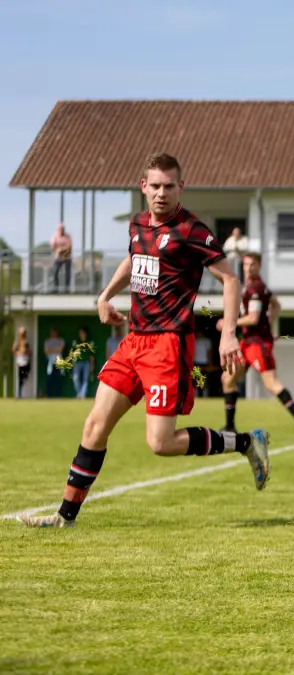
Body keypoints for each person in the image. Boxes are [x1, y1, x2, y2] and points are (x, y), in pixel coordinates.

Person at [18, 153, 270, 529]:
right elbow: (134, 259)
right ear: (143, 187)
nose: (161, 193)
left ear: (180, 188)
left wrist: (229, 333)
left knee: (161, 443)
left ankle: (247, 442)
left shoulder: (192, 230)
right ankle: (64, 517)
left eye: (169, 186)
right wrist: (105, 296)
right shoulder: (137, 224)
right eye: (155, 186)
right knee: (94, 426)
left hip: (168, 346)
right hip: (134, 341)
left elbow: (230, 280)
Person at [220, 252, 294, 440]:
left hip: (257, 344)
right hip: (248, 342)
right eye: (246, 264)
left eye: (252, 264)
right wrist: (268, 324)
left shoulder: (255, 288)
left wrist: (229, 323)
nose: (248, 268)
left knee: (271, 383)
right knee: (227, 379)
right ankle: (230, 426)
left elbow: (253, 318)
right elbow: (276, 305)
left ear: (259, 266)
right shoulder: (256, 286)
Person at [70, 326, 95, 399]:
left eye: (82, 333)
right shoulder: (76, 341)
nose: (81, 334)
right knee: (75, 378)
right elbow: (72, 353)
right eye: (80, 333)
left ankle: (82, 395)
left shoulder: (89, 342)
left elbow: (92, 355)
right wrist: (71, 363)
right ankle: (79, 393)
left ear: (85, 333)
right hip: (77, 363)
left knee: (85, 379)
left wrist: (92, 365)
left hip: (86, 363)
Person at [13, 326, 32, 398]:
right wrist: (19, 352)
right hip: (20, 363)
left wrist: (26, 352)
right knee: (20, 378)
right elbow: (14, 350)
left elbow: (30, 352)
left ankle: (20, 393)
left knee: (24, 377)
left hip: (26, 362)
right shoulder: (17, 342)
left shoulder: (26, 343)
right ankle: (19, 394)